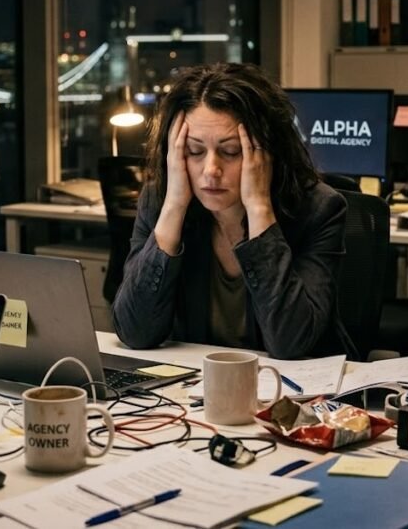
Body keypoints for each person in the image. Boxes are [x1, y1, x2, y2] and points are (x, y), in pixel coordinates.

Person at [112, 63, 351, 360]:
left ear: (267, 153)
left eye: (231, 152)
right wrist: (174, 205)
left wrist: (259, 207)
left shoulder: (318, 210)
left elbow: (290, 343)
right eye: (194, 151)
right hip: (194, 393)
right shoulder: (160, 203)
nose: (211, 170)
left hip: (292, 394)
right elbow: (135, 332)